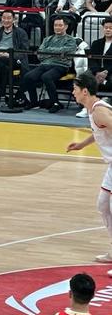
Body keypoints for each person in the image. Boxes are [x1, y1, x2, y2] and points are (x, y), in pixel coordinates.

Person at [67, 72, 112, 272]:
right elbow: (99, 131)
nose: (73, 92)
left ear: (85, 91)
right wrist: (81, 145)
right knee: (103, 205)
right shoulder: (94, 110)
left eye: (75, 89)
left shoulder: (99, 111)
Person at [16, 16, 77, 113]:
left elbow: (67, 52)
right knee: (28, 77)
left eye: (60, 25)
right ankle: (34, 102)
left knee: (46, 77)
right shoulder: (47, 39)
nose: (57, 27)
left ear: (66, 27)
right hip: (45, 64)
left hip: (61, 65)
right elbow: (40, 54)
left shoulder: (71, 40)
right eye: (55, 25)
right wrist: (57, 53)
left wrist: (48, 52)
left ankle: (55, 103)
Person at [0, 9, 30, 110]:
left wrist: (10, 55)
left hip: (13, 59)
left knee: (2, 61)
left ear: (14, 19)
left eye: (9, 18)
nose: (6, 20)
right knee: (2, 66)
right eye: (4, 18)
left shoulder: (21, 33)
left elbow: (24, 50)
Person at [89, 18, 112, 92]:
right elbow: (91, 59)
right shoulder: (96, 43)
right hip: (96, 70)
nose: (108, 30)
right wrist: (97, 72)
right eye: (106, 28)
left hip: (110, 71)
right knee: (82, 79)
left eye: (111, 28)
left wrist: (106, 72)